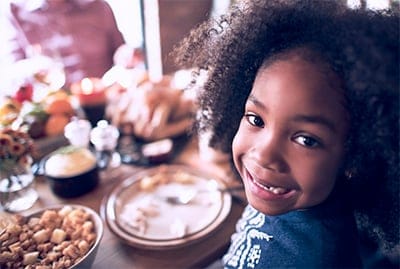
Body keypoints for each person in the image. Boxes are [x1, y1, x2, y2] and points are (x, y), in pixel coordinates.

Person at [173, 0, 399, 268]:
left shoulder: (314, 259)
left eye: (306, 140)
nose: (264, 154)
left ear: (354, 157)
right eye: (256, 120)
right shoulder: (284, 197)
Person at [1, 0, 125, 87]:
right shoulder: (14, 11)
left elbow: (120, 52)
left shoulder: (98, 7)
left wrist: (127, 55)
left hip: (104, 107)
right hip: (50, 115)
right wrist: (34, 68)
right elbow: (10, 73)